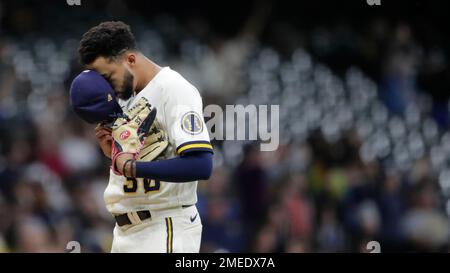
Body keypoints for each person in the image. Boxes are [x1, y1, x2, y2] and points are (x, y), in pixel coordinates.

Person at [76, 21, 214, 253]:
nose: (106, 86)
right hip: (125, 231)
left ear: (130, 60)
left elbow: (201, 165)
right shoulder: (124, 97)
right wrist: (113, 154)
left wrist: (133, 167)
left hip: (164, 226)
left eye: (108, 76)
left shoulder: (174, 89)